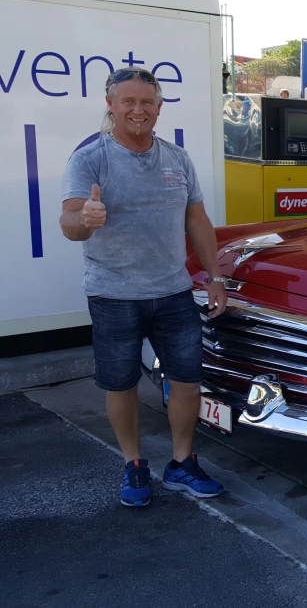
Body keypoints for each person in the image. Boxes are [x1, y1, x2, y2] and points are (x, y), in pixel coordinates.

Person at [60, 67, 229, 508]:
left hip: (173, 292)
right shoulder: (90, 159)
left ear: (158, 107)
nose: (138, 110)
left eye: (146, 102)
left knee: (187, 383)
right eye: (128, 102)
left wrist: (215, 278)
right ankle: (134, 465)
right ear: (111, 105)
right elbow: (69, 224)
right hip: (113, 294)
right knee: (122, 386)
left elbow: (198, 221)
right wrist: (85, 221)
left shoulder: (177, 158)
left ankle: (181, 463)